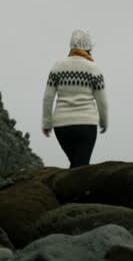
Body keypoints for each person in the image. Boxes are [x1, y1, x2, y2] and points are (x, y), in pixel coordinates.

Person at [42, 28, 108, 167]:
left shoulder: (58, 67)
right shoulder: (94, 69)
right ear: (89, 48)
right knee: (80, 168)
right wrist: (104, 121)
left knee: (76, 165)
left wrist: (47, 122)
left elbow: (48, 97)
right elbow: (102, 101)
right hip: (86, 125)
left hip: (62, 126)